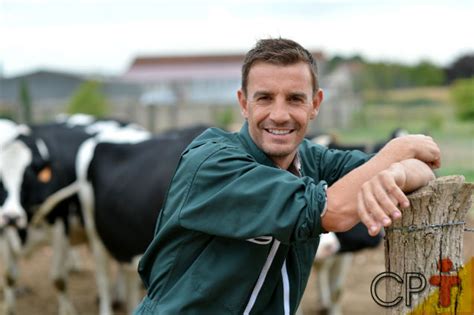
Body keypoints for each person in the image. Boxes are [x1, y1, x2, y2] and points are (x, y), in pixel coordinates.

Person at [134, 38, 440, 314]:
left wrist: (396, 172)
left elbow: (426, 166)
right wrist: (396, 150)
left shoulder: (312, 158)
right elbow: (334, 211)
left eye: (294, 99)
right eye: (265, 98)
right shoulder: (213, 164)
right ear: (244, 103)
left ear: (315, 104)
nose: (279, 114)